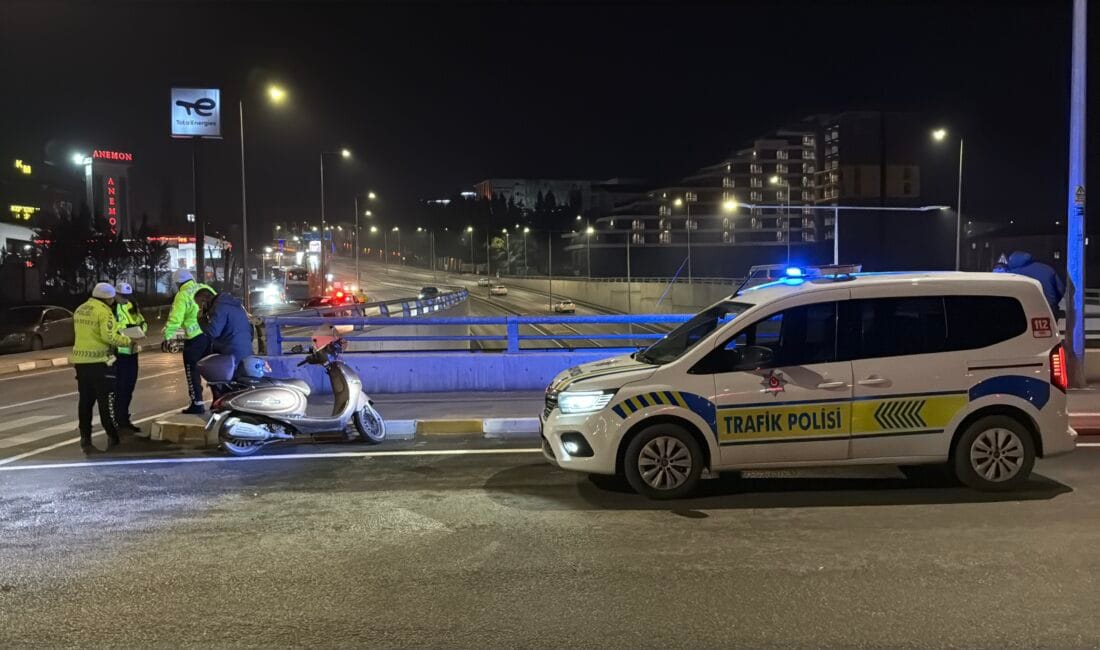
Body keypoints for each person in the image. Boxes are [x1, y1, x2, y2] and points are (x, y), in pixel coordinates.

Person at [70, 283, 135, 453]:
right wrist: (129, 342)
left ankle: (85, 436)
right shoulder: (104, 311)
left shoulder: (80, 309)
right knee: (106, 401)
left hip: (81, 363)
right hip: (101, 362)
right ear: (107, 297)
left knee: (85, 401)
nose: (113, 300)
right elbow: (109, 336)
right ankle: (113, 436)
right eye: (112, 297)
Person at [164, 269, 216, 414]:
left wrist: (168, 336)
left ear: (178, 283)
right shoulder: (205, 288)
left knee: (192, 370)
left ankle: (197, 403)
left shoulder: (182, 295)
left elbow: (175, 318)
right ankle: (218, 400)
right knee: (214, 369)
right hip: (211, 334)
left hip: (194, 338)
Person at [194, 288, 254, 399]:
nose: (199, 307)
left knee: (225, 386)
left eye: (199, 305)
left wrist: (201, 319)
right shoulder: (235, 304)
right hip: (245, 350)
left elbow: (213, 331)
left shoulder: (219, 306)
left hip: (230, 352)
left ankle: (225, 408)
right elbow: (251, 330)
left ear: (204, 301)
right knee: (242, 384)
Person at [113, 281, 148, 434]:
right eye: (123, 297)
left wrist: (140, 330)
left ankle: (125, 419)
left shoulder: (132, 305)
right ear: (116, 295)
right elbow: (114, 328)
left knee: (129, 388)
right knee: (119, 389)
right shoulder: (112, 308)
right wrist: (127, 332)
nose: (126, 299)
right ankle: (118, 420)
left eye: (127, 296)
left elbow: (142, 321)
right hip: (119, 353)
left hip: (132, 351)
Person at [1003, 250, 1066, 315]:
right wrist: (1053, 303)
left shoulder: (1011, 274)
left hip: (1022, 309)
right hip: (1048, 307)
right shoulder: (1047, 269)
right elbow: (1061, 289)